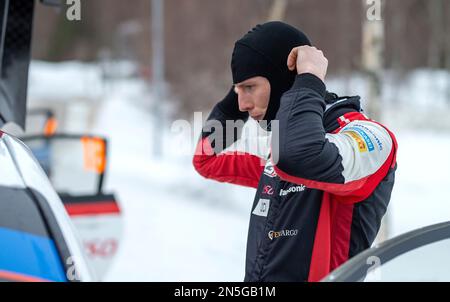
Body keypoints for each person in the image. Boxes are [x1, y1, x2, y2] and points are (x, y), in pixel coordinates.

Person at [193, 21, 397, 282]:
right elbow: (207, 159)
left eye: (250, 88)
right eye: (238, 91)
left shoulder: (368, 135)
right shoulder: (282, 145)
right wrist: (235, 98)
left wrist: (309, 78)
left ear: (283, 79)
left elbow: (302, 155)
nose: (242, 104)